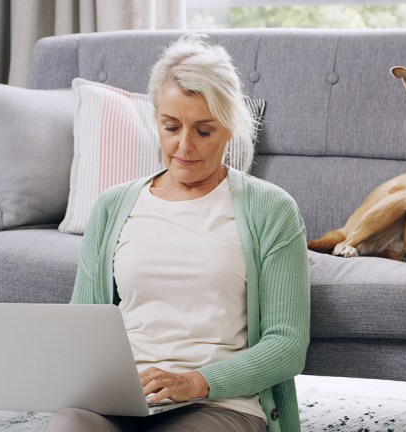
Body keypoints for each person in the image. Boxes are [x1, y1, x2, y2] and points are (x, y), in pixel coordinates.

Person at [46, 34, 310, 432]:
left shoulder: (272, 210)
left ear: (229, 129)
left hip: (222, 402)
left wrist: (195, 383)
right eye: (171, 127)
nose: (184, 146)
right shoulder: (113, 206)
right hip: (120, 398)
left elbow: (287, 346)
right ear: (156, 121)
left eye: (203, 131)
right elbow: (83, 324)